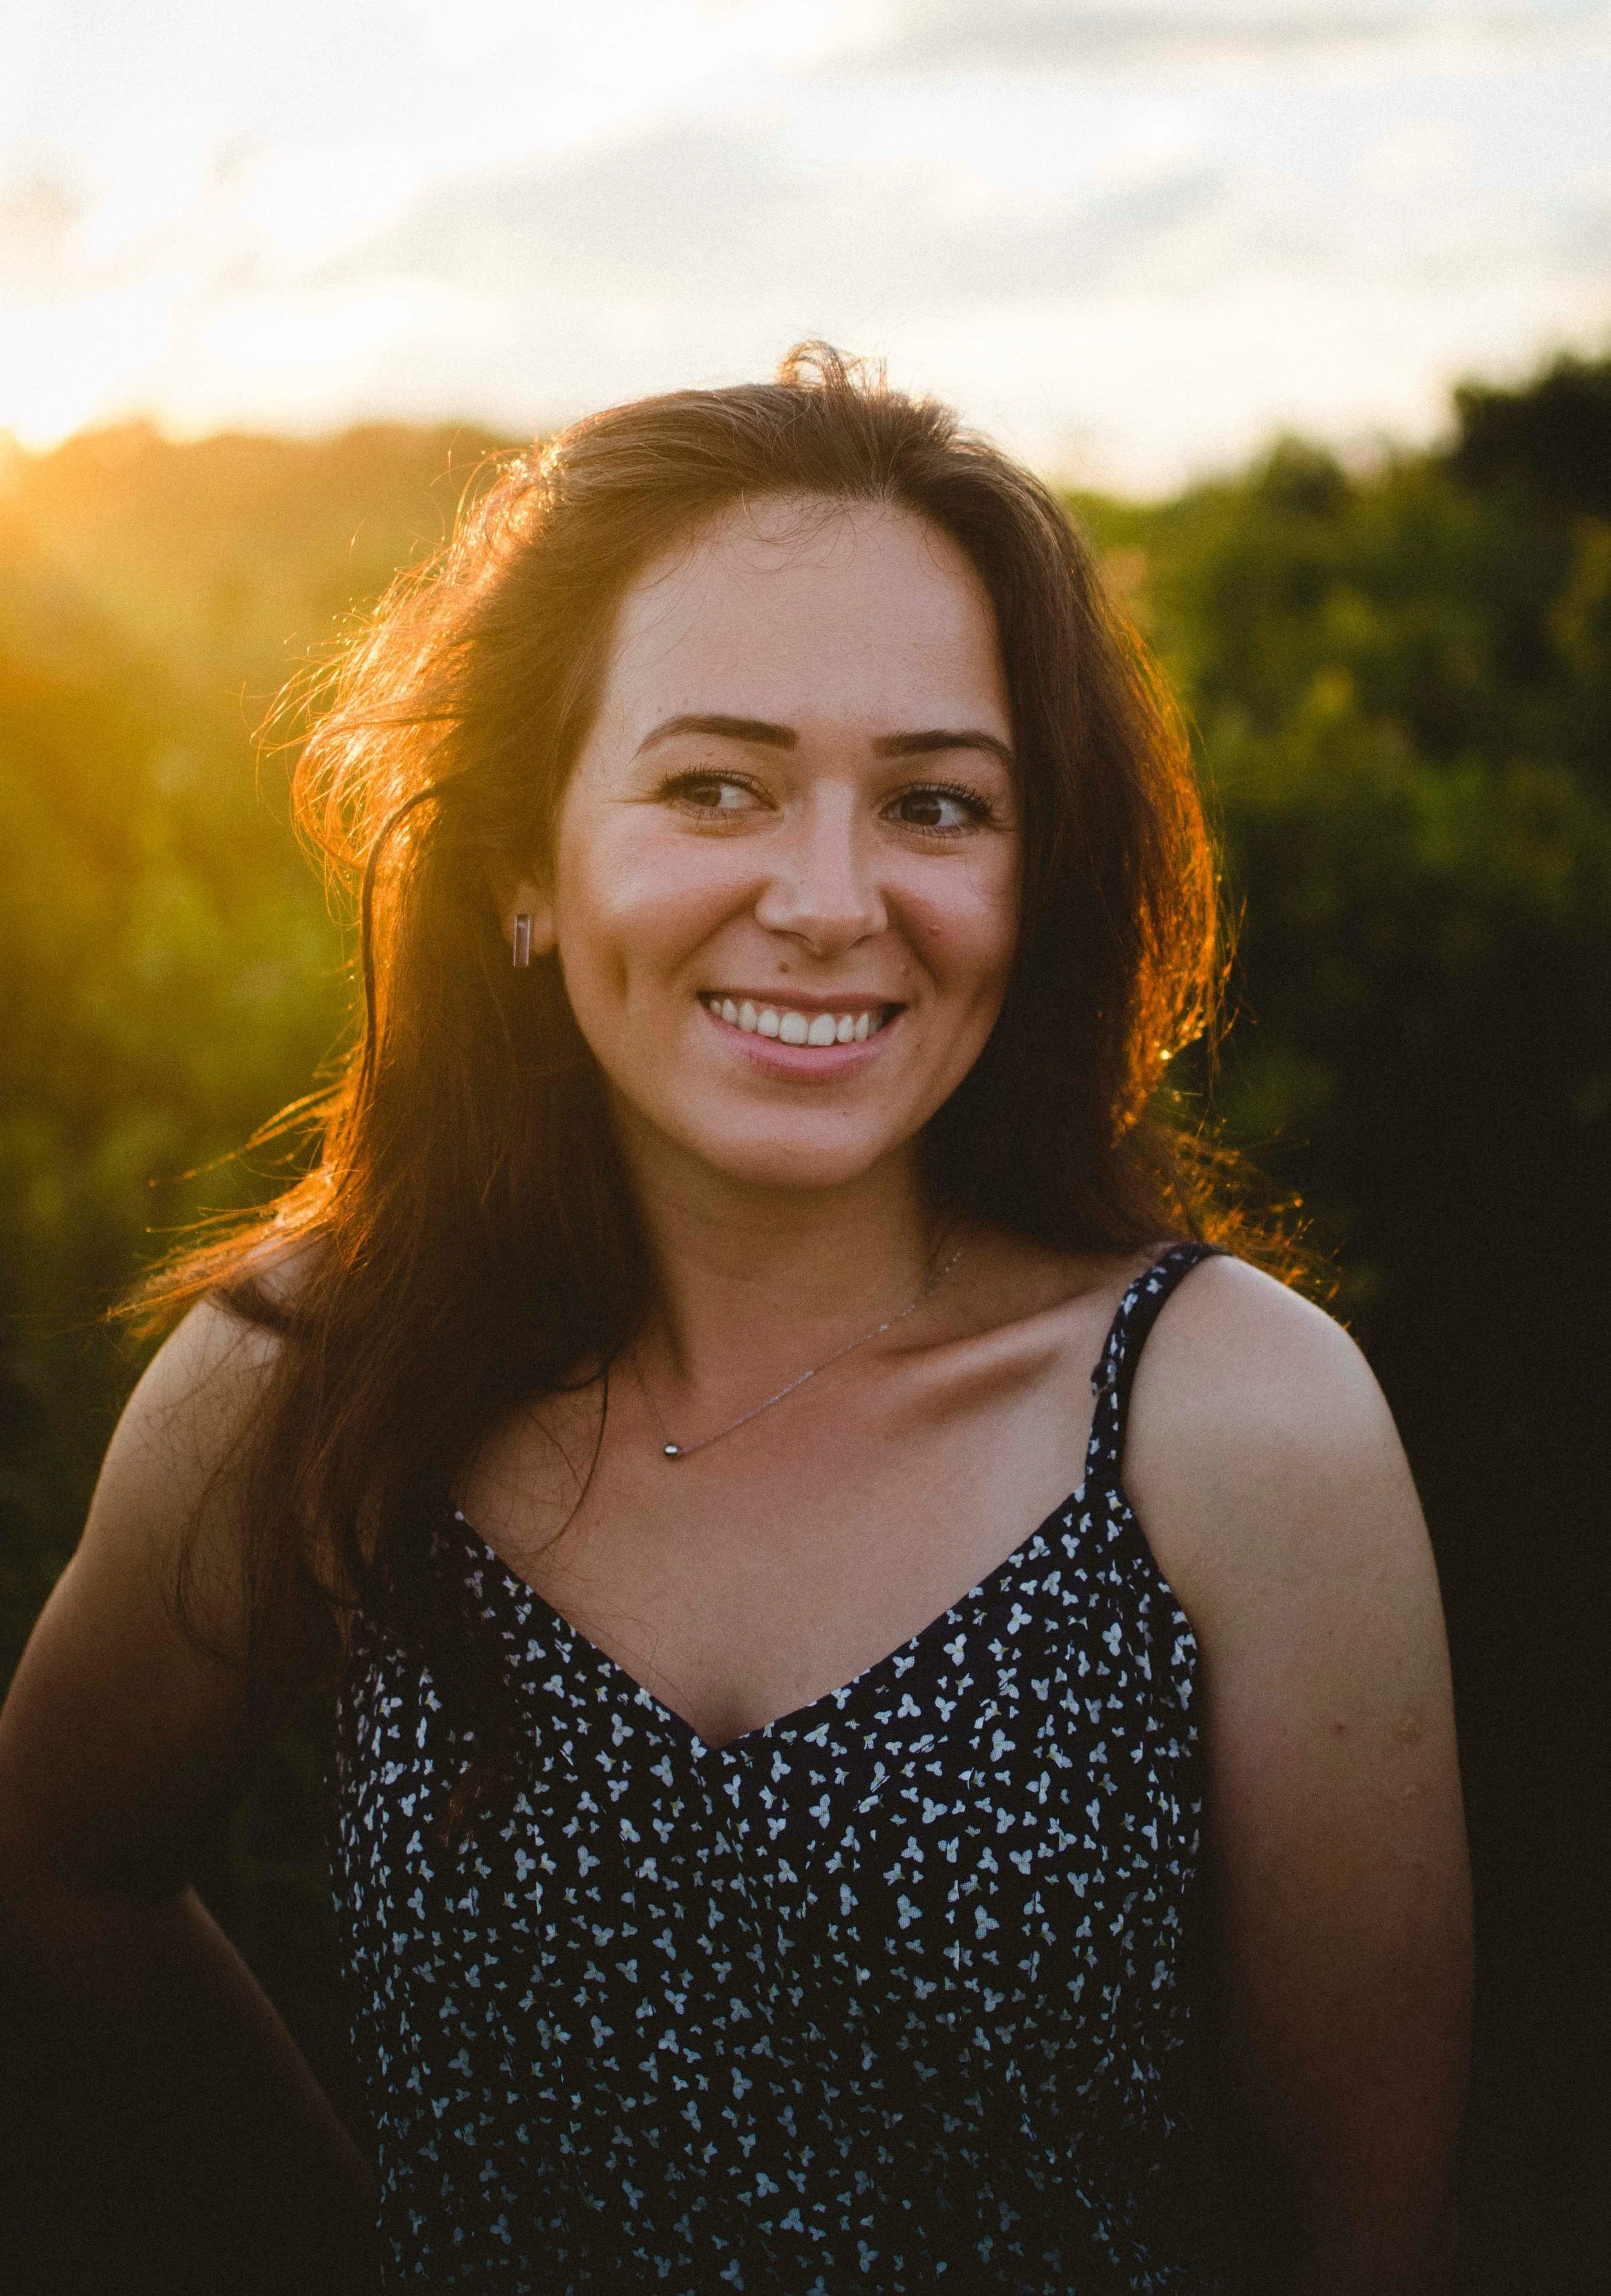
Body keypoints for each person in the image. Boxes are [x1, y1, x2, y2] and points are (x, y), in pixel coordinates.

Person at [0, 347, 1470, 2293]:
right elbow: (56, 1865)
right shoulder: (314, 1379)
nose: (829, 898)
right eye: (715, 784)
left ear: (1040, 882)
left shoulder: (1232, 1429)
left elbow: (1363, 2230)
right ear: (526, 860)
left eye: (938, 805)